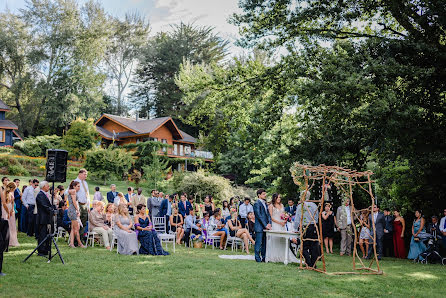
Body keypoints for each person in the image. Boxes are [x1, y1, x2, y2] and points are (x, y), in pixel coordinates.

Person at [294, 190, 319, 268]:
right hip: (313, 227)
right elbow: (317, 217)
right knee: (314, 246)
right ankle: (313, 264)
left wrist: (295, 228)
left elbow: (297, 219)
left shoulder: (301, 206)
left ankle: (308, 262)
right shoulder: (314, 205)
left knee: (303, 246)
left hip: (305, 227)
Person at [35, 181, 55, 255]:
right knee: (42, 235)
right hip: (42, 218)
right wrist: (52, 210)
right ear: (43, 186)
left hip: (47, 217)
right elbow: (44, 206)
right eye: (47, 186)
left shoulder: (46, 194)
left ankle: (46, 249)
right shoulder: (40, 195)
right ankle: (41, 250)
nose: (48, 187)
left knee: (47, 234)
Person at [253, 189, 272, 262]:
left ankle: (264, 258)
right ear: (259, 195)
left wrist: (269, 223)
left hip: (266, 226)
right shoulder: (256, 203)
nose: (265, 195)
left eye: (265, 194)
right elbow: (259, 215)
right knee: (258, 243)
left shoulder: (265, 203)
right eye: (263, 194)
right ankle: (257, 258)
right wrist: (265, 225)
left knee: (264, 243)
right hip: (259, 227)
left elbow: (268, 215)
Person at [67, 181, 85, 248]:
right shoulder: (73, 191)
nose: (79, 188)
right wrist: (77, 210)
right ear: (74, 186)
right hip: (73, 211)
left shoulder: (72, 191)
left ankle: (71, 243)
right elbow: (74, 202)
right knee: (76, 228)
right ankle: (80, 243)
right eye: (78, 186)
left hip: (72, 210)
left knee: (73, 228)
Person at [2, 182, 19, 247]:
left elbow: (13, 202)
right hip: (5, 209)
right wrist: (8, 212)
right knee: (7, 224)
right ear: (12, 188)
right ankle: (7, 240)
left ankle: (12, 240)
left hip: (11, 210)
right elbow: (4, 204)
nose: (14, 190)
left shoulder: (11, 193)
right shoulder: (4, 193)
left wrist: (12, 209)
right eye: (14, 188)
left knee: (12, 225)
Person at [74, 169, 89, 236]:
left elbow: (87, 194)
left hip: (85, 204)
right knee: (78, 222)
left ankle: (81, 237)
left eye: (86, 174)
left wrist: (88, 205)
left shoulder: (85, 183)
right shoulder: (75, 182)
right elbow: (68, 192)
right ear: (80, 174)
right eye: (84, 174)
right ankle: (75, 239)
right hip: (78, 204)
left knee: (84, 222)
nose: (86, 176)